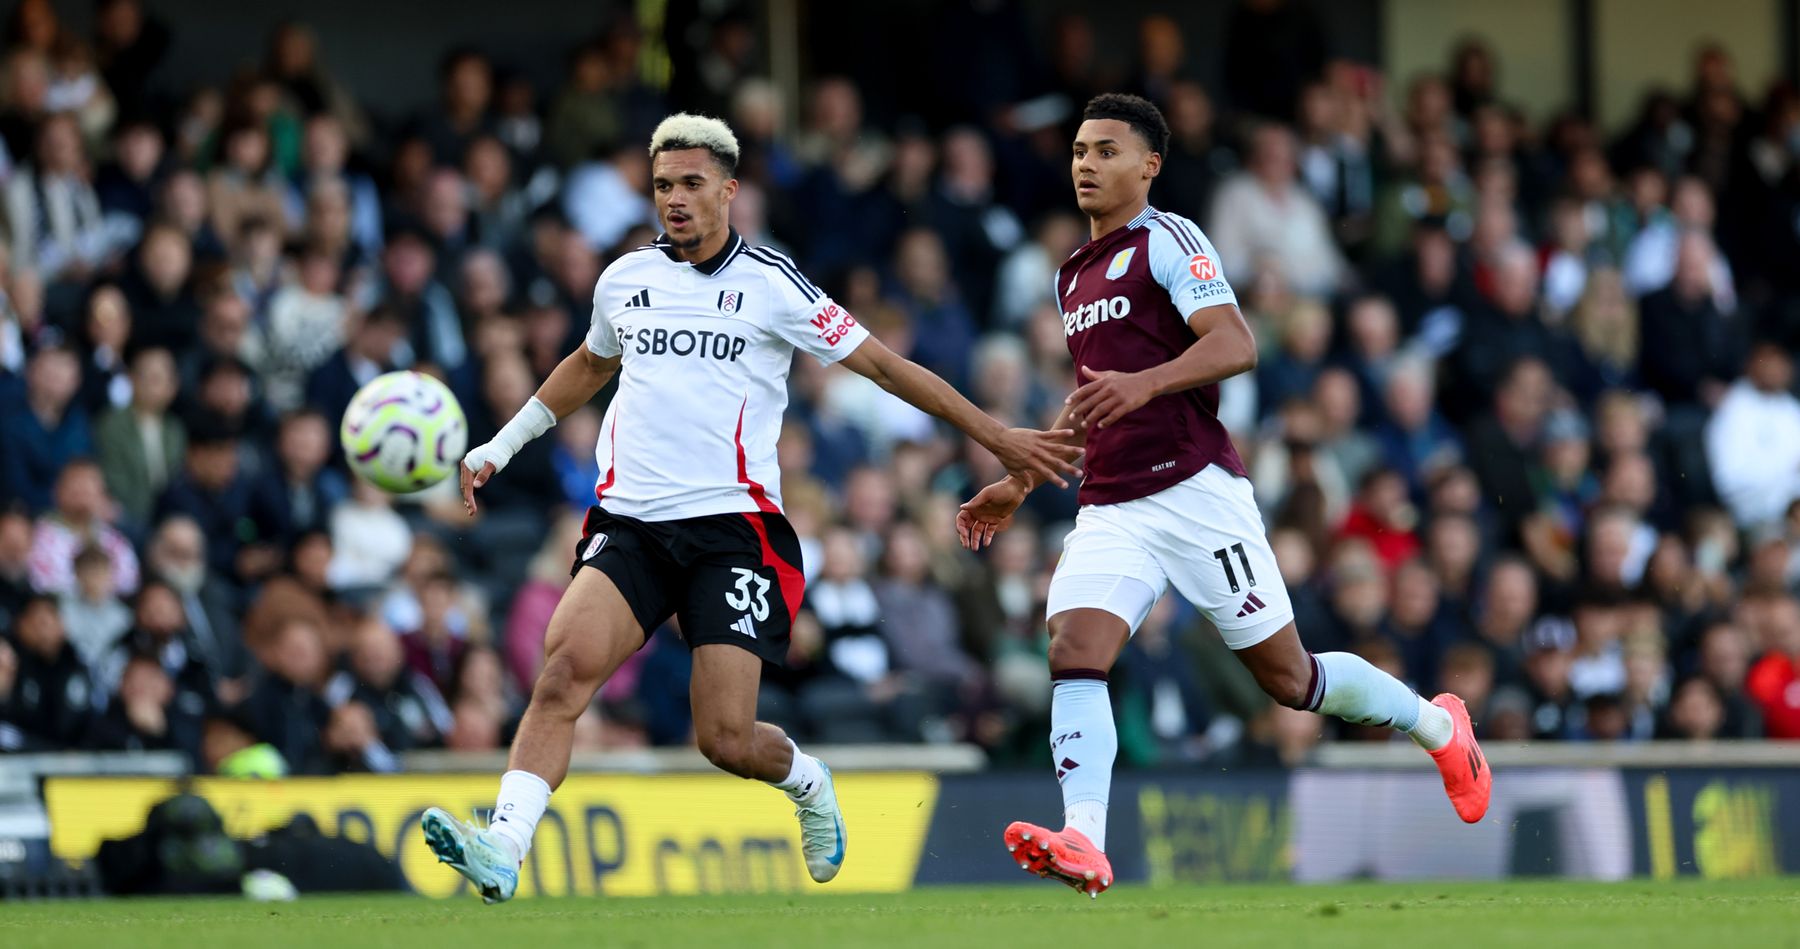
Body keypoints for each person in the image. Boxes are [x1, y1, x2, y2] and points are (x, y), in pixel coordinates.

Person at [419, 113, 1080, 904]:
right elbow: (588, 365)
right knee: (560, 674)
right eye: (663, 185)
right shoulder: (624, 279)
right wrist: (501, 444)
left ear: (730, 190)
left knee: (725, 739)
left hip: (733, 531)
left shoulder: (771, 283)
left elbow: (886, 366)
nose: (675, 200)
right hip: (629, 521)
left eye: (692, 184)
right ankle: (503, 846)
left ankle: (806, 781)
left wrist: (996, 436)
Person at [956, 95, 1491, 898]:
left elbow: (1235, 342)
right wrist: (1022, 477)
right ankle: (1085, 837)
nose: (1085, 164)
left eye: (1106, 150)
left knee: (1290, 680)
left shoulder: (1169, 239)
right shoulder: (1070, 274)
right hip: (1112, 504)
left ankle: (1441, 727)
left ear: (1150, 166)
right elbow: (1092, 399)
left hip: (1196, 489)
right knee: (1073, 648)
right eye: (1077, 150)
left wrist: (1149, 383)